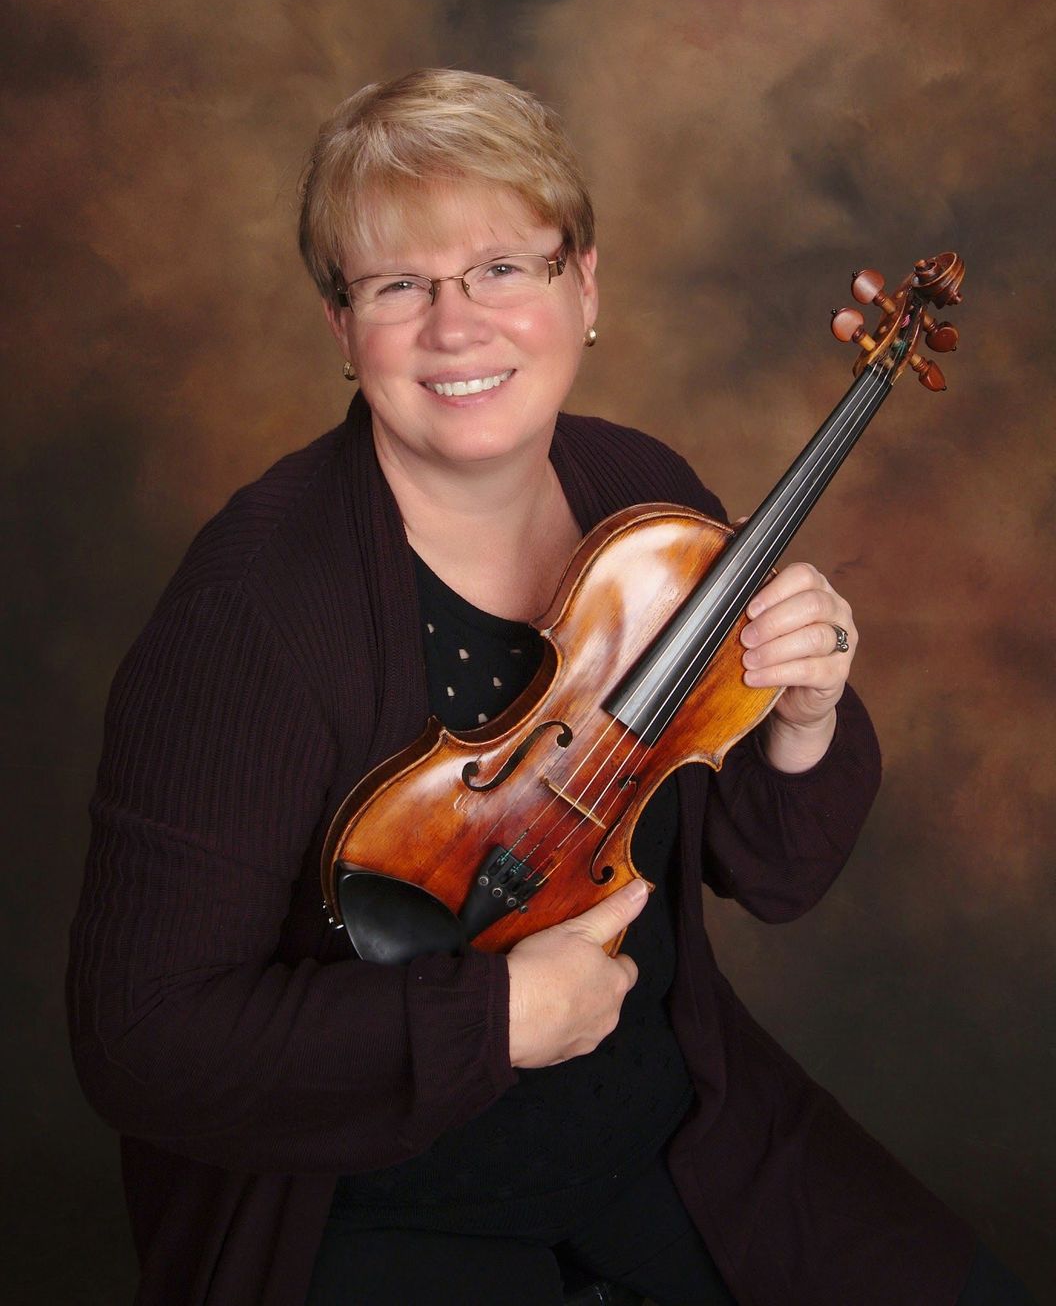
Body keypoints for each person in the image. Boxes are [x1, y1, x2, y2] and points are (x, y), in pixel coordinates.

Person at [68, 70, 1033, 1306]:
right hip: (371, 1199)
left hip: (668, 1128)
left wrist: (804, 718)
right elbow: (140, 1043)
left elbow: (775, 873)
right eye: (399, 285)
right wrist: (494, 1021)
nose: (455, 326)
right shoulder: (254, 607)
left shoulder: (648, 507)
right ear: (341, 327)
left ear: (585, 288)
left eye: (502, 270)